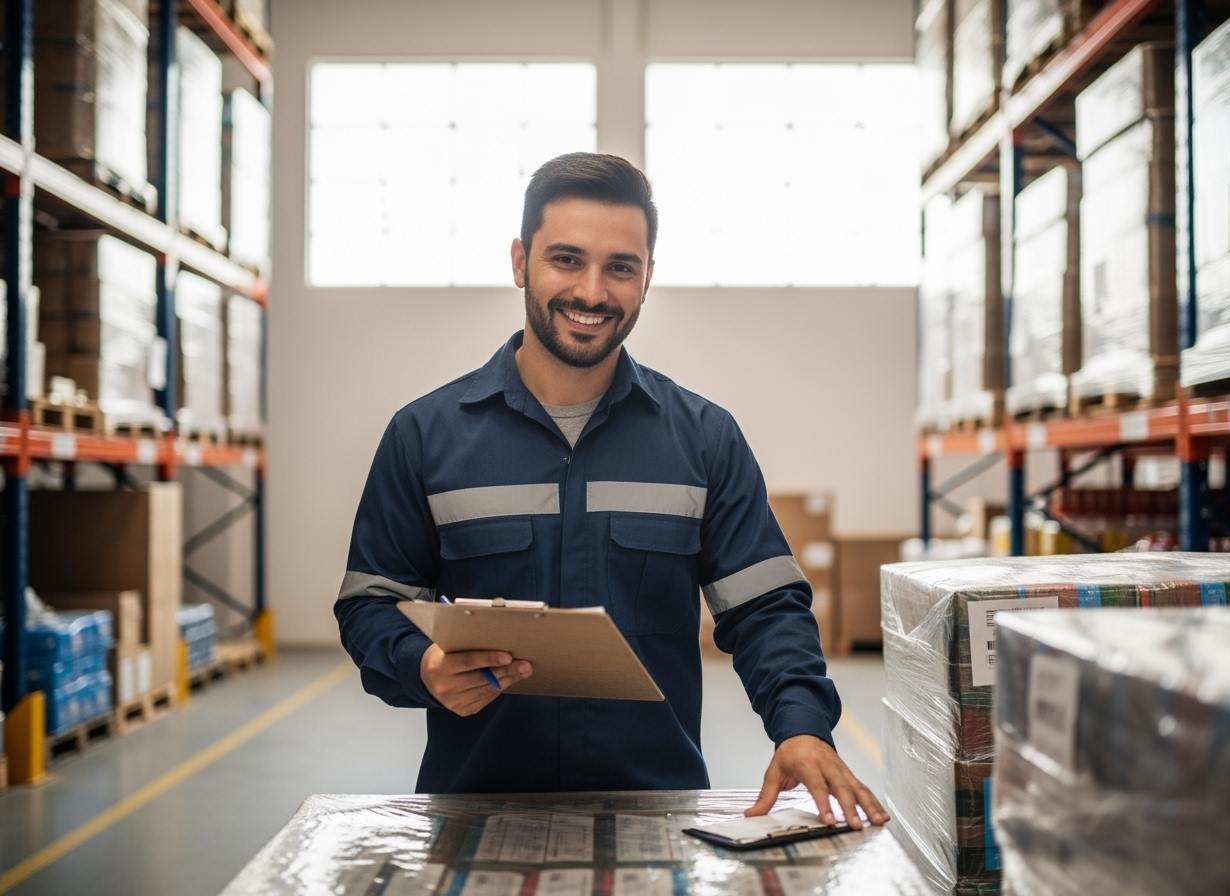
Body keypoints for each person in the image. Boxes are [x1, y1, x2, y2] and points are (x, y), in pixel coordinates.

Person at [334, 152, 888, 829]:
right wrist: (420, 666)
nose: (592, 292)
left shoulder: (704, 439)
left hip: (657, 815)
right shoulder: (424, 436)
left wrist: (801, 727)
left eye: (620, 267)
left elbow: (766, 605)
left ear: (648, 278)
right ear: (519, 262)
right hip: (476, 812)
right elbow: (371, 603)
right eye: (566, 259)